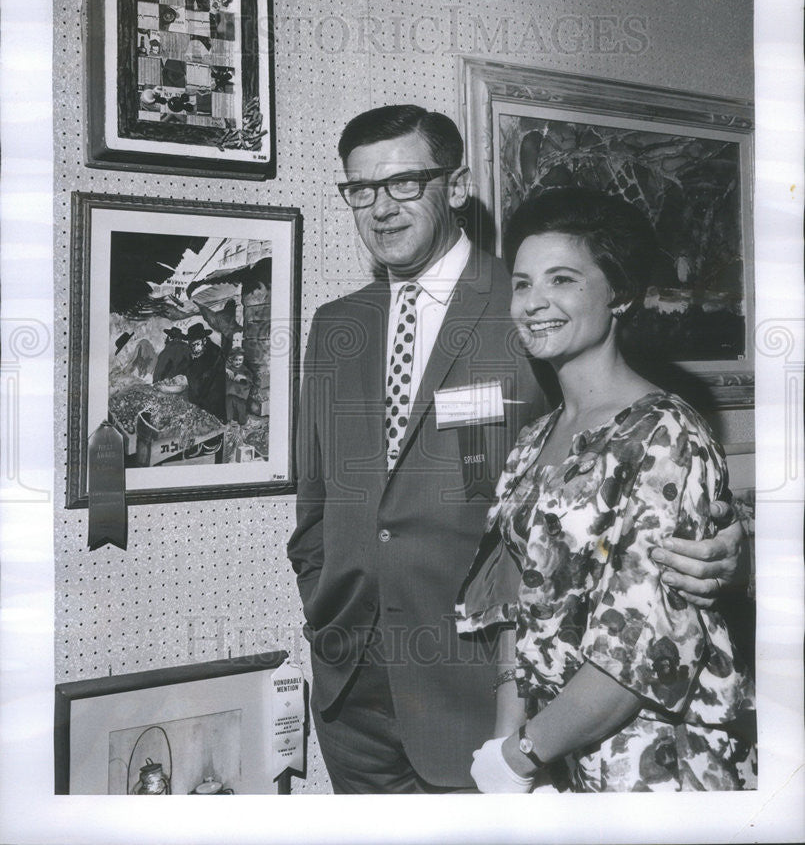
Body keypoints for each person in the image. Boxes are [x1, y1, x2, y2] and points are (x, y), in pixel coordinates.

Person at [287, 105, 745, 794]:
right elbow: (317, 501)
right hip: (353, 694)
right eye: (361, 190)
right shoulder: (335, 327)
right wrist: (321, 602)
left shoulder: (535, 305)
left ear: (456, 185)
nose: (381, 209)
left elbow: (637, 463)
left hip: (486, 702)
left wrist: (730, 545)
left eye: (404, 183)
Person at [458, 188, 756, 793]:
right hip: (556, 757)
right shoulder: (535, 438)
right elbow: (519, 604)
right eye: (521, 283)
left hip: (654, 765)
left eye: (562, 279)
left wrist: (517, 757)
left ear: (619, 293)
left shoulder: (667, 436)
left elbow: (640, 648)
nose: (534, 303)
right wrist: (508, 746)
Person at [183, 322, 226, 423]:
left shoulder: (215, 354)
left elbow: (208, 380)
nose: (194, 348)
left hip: (212, 403)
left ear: (204, 340)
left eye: (196, 344)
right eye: (191, 345)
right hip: (199, 399)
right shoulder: (196, 352)